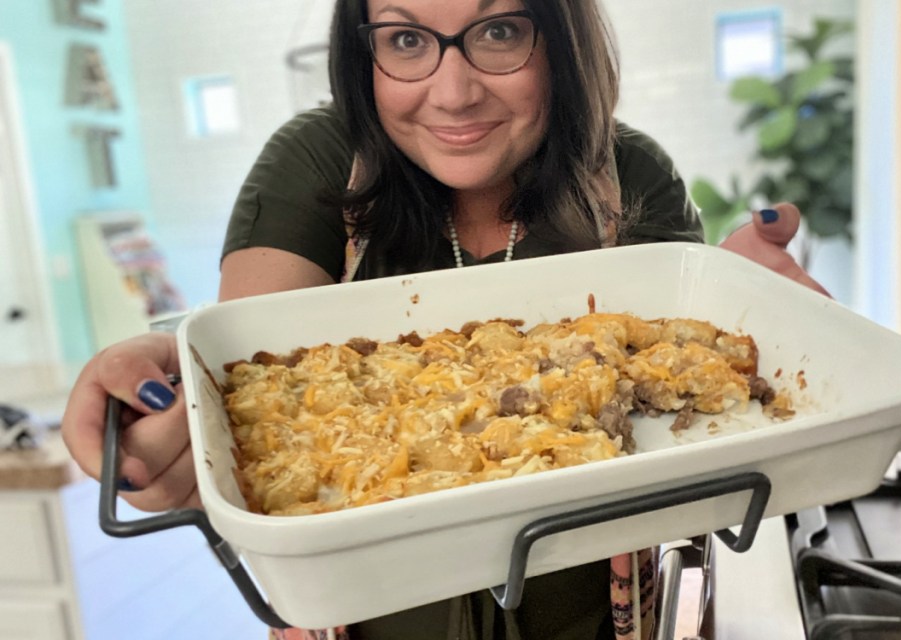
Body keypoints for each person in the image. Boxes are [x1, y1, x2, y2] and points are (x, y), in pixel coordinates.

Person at [62, 0, 828, 638]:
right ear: (362, 52)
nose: (454, 92)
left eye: (499, 31)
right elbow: (256, 367)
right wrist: (179, 402)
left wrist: (725, 313)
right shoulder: (321, 161)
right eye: (405, 40)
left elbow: (689, 433)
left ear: (559, 37)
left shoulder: (630, 179)